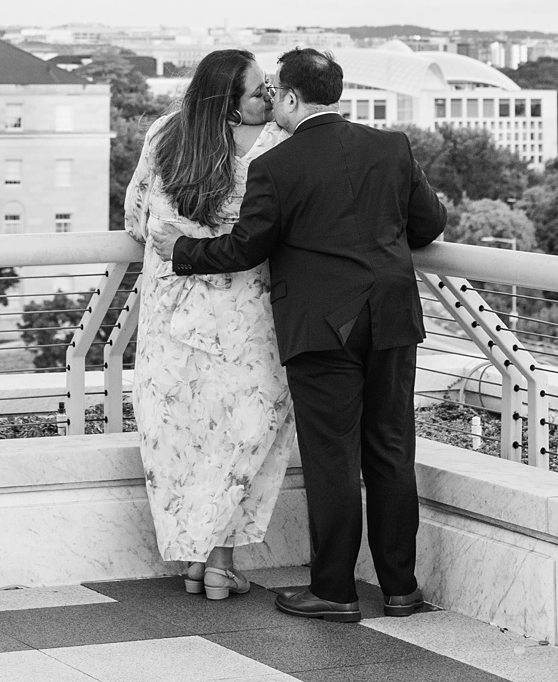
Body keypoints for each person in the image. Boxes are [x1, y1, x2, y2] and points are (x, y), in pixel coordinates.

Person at [150, 47, 447, 623]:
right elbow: (429, 225)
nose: (269, 101)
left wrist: (181, 250)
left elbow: (246, 247)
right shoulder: (391, 147)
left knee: (332, 457)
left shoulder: (277, 166)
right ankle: (401, 589)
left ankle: (334, 590)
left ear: (290, 97)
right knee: (391, 451)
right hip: (391, 316)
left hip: (321, 327)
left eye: (273, 92)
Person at [121, 49, 291, 600]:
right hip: (246, 313)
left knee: (186, 436)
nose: (270, 96)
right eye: (258, 91)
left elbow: (135, 218)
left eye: (270, 88)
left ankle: (200, 562)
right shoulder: (278, 146)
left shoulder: (165, 134)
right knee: (245, 433)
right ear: (230, 104)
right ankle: (219, 564)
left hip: (170, 312)